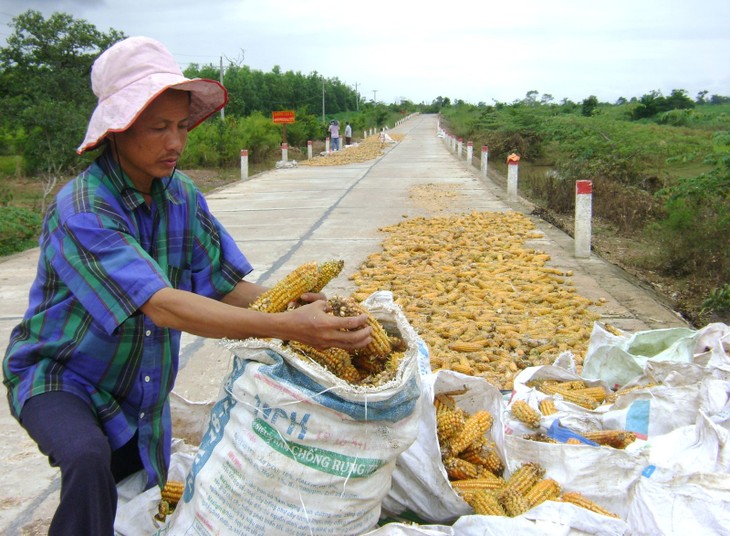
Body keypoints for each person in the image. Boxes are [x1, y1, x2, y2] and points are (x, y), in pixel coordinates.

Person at [2, 36, 371, 536]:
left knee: (136, 494)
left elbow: (221, 284)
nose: (174, 142)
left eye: (181, 126)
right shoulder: (84, 210)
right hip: (62, 378)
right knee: (88, 462)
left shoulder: (182, 196)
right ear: (117, 130)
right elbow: (162, 307)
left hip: (138, 387)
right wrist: (288, 327)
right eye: (157, 128)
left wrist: (298, 305)